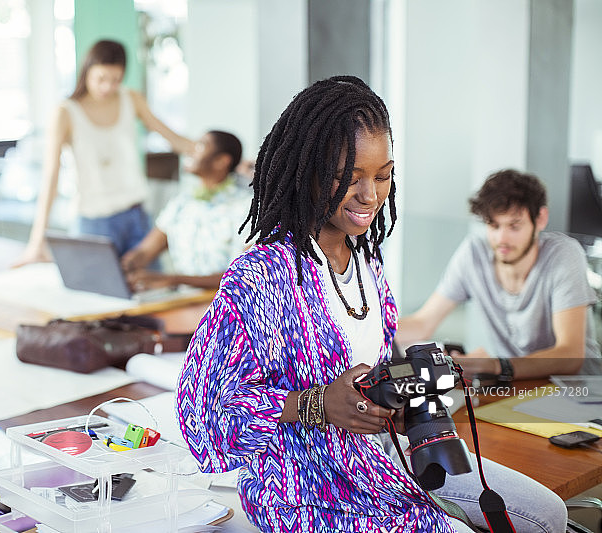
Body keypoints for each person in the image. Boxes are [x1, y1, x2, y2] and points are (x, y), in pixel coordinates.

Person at [175, 76, 566, 532]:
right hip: (305, 487)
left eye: (383, 176)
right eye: (350, 178)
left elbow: (369, 375)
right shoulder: (261, 275)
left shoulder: (368, 262)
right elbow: (202, 414)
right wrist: (315, 404)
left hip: (377, 458)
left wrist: (394, 407)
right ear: (308, 171)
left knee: (547, 515)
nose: (370, 195)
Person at [397, 169, 601, 381]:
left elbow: (570, 356)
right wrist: (368, 335)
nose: (502, 238)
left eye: (514, 226)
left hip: (581, 394)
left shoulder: (563, 254)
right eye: (493, 225)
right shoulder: (474, 254)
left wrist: (495, 365)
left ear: (540, 219)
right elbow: (422, 323)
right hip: (518, 389)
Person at [14, 39, 195, 266]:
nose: (107, 87)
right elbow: (51, 175)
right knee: (96, 298)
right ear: (86, 71)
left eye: (116, 80)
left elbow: (174, 139)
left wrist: (224, 156)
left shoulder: (132, 99)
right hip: (92, 223)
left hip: (137, 218)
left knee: (153, 293)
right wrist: (36, 241)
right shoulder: (66, 112)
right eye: (101, 79)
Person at [120, 130, 250, 291]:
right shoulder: (181, 204)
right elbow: (145, 251)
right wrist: (126, 265)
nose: (190, 150)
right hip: (182, 302)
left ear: (221, 161)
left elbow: (244, 275)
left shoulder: (246, 207)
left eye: (201, 146)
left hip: (225, 307)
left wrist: (174, 280)